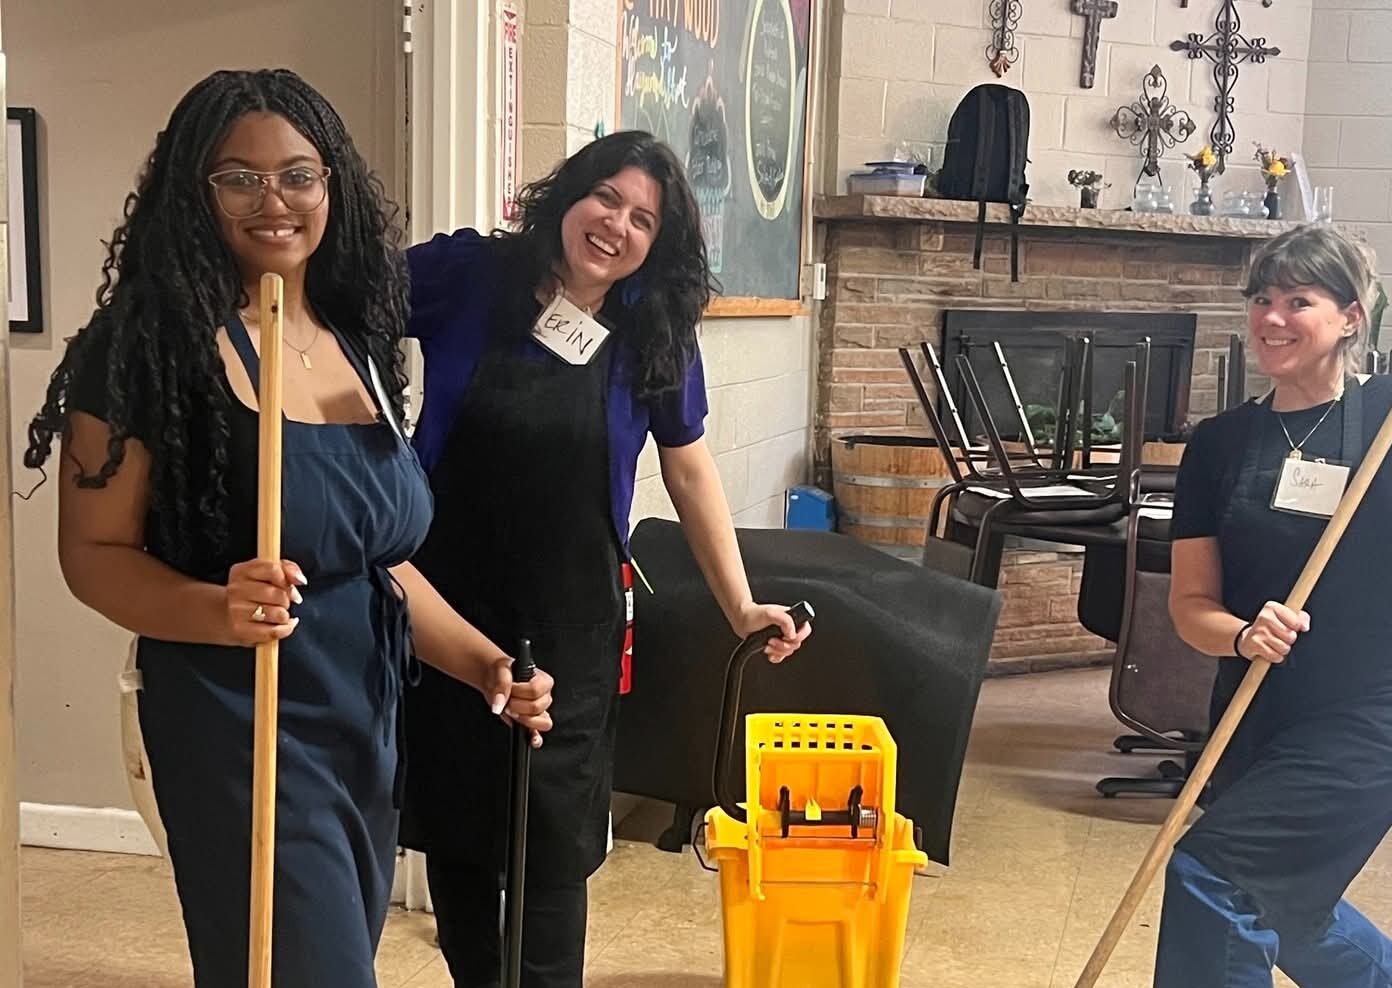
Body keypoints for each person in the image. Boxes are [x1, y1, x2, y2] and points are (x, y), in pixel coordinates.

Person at [24, 69, 554, 987]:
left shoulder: (354, 338)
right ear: (195, 192)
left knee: (329, 952)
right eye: (239, 177)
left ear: (330, 187)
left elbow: (374, 561)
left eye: (298, 175)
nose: (274, 200)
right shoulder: (146, 346)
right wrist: (215, 607)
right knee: (304, 968)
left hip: (366, 705)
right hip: (241, 706)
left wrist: (481, 664)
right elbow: (92, 557)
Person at [399, 129, 812, 987]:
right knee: (461, 827)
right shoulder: (469, 276)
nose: (616, 226)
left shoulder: (650, 330)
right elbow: (341, 302)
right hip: (446, 605)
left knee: (554, 846)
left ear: (656, 245)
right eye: (606, 198)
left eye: (643, 219)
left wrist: (740, 606)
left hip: (573, 619)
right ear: (569, 196)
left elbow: (689, 468)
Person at [1160, 223, 1392, 988]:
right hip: (1264, 700)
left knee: (1214, 875)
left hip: (1384, 700)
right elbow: (1190, 604)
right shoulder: (1220, 444)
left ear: (1350, 316)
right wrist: (1243, 633)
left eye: (1298, 301)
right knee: (1281, 906)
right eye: (1262, 300)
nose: (1272, 319)